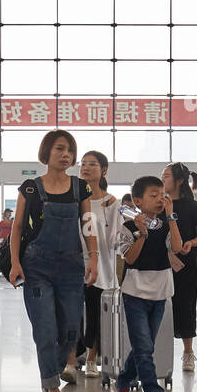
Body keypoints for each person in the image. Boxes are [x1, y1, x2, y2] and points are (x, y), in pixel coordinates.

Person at [6, 130, 98, 392]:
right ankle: (52, 389)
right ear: (46, 153)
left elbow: (88, 222)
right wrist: (15, 263)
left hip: (72, 266)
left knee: (71, 328)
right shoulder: (31, 188)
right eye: (60, 148)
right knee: (45, 328)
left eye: (70, 150)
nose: (66, 154)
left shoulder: (80, 187)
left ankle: (54, 369)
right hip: (37, 266)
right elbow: (17, 228)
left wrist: (93, 257)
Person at [113, 176, 183, 392]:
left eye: (162, 195)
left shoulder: (166, 223)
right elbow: (130, 258)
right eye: (153, 195)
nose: (160, 200)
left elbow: (176, 246)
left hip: (161, 291)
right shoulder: (127, 227)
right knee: (143, 347)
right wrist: (141, 234)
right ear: (138, 201)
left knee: (146, 345)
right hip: (134, 293)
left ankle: (123, 380)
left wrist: (172, 218)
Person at [67, 151, 121, 379]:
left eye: (92, 164)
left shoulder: (111, 203)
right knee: (72, 314)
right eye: (83, 164)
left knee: (96, 313)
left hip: (102, 267)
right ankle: (71, 359)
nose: (86, 168)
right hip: (74, 265)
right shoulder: (74, 199)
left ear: (103, 170)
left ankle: (91, 357)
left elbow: (116, 239)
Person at [162, 162, 197, 373]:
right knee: (161, 308)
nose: (163, 180)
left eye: (166, 176)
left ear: (179, 181)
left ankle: (188, 352)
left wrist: (192, 243)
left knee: (186, 305)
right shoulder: (158, 203)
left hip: (185, 264)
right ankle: (158, 352)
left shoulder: (194, 207)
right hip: (161, 263)